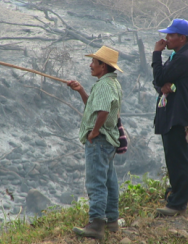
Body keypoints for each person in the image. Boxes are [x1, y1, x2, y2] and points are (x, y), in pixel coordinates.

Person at [68, 46, 123, 240]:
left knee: (96, 182)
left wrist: (94, 131)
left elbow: (103, 112)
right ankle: (111, 220)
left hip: (99, 141)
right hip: (107, 141)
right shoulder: (111, 83)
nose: (91, 65)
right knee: (109, 180)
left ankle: (96, 224)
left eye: (94, 62)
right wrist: (81, 90)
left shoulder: (104, 85)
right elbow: (94, 105)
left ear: (104, 67)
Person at [151, 19, 188, 216]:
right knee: (174, 156)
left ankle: (178, 203)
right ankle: (175, 194)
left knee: (178, 158)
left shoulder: (184, 57)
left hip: (177, 114)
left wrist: (156, 53)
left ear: (182, 38)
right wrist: (161, 85)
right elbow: (160, 82)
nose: (167, 38)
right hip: (173, 113)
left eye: (171, 35)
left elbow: (159, 77)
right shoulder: (177, 55)